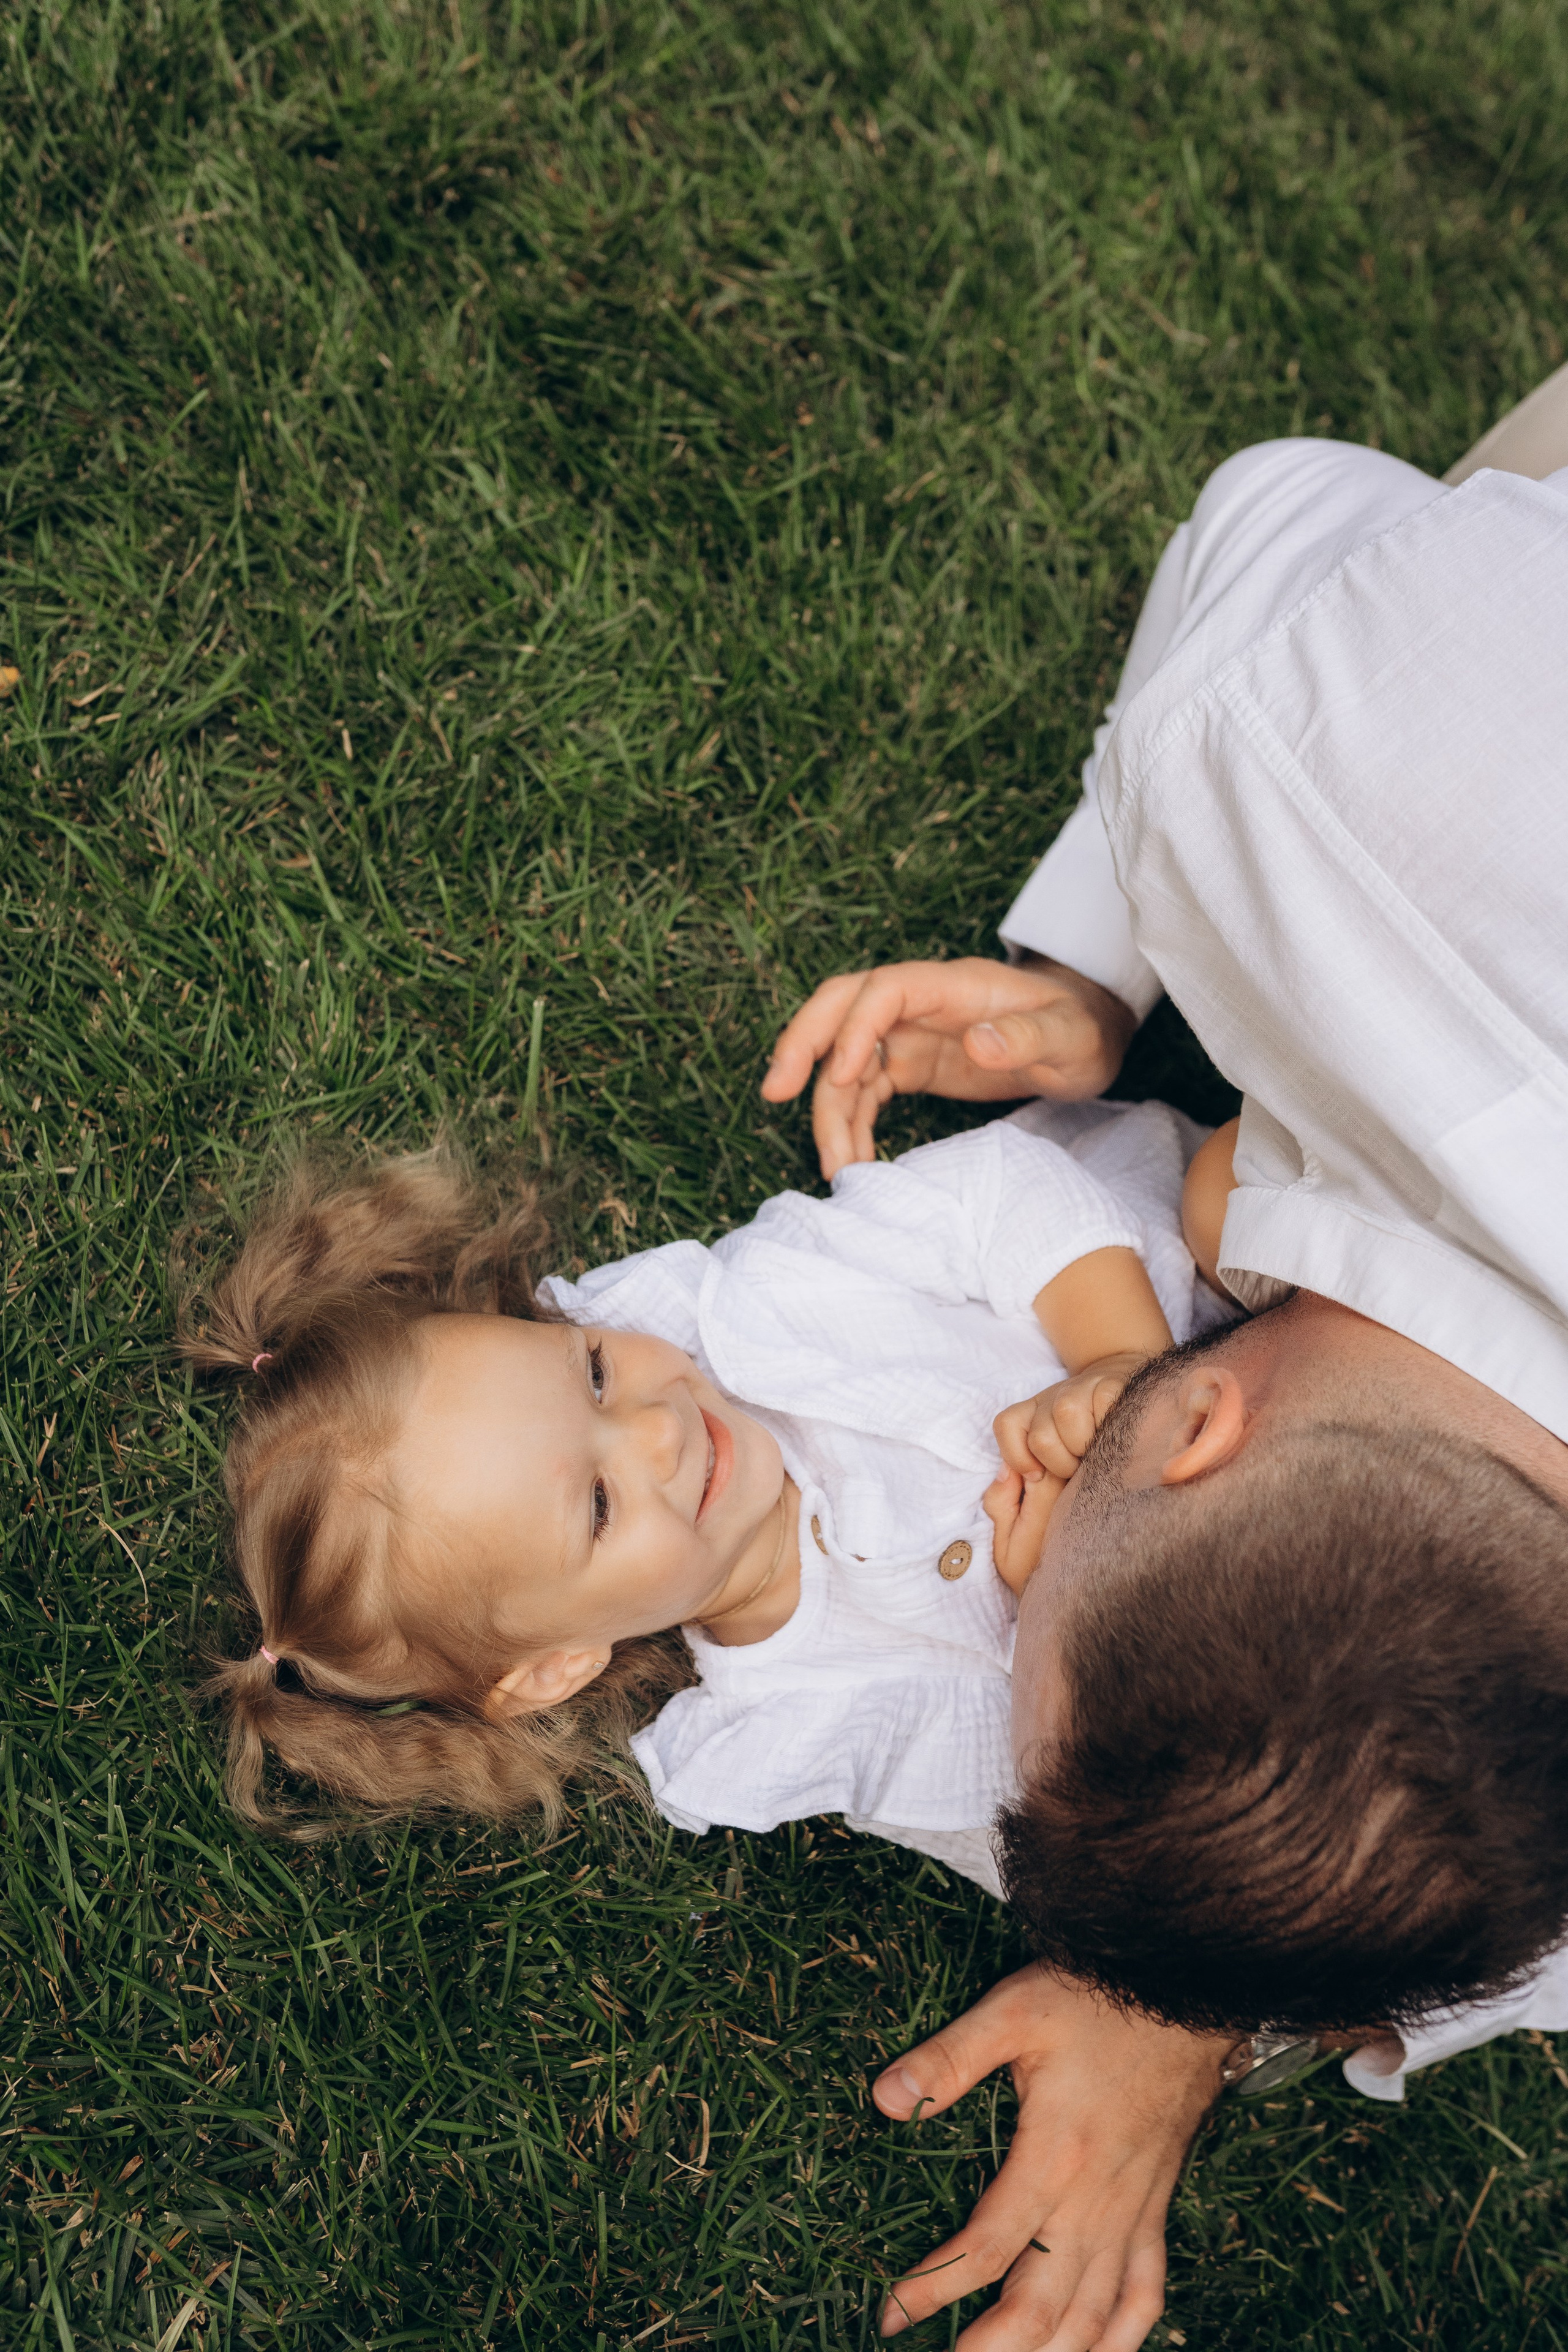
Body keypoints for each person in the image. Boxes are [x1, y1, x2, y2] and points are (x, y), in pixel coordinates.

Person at [764, 392, 1568, 2350]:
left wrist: (1213, 1970)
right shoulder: (1271, 777)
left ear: (1207, 1414)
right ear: (1200, 1424)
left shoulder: (1309, 778)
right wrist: (1127, 940)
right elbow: (1289, 514)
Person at [182, 1101, 1229, 1861]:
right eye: (596, 1507)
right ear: (554, 1667)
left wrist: (1124, 1371)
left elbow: (1003, 1193)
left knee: (1224, 1190)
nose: (656, 1431)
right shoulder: (799, 1727)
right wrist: (1081, 1597)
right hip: (1245, 1600)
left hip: (1207, 1283)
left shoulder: (762, 1302)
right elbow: (1074, 1823)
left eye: (592, 1370)